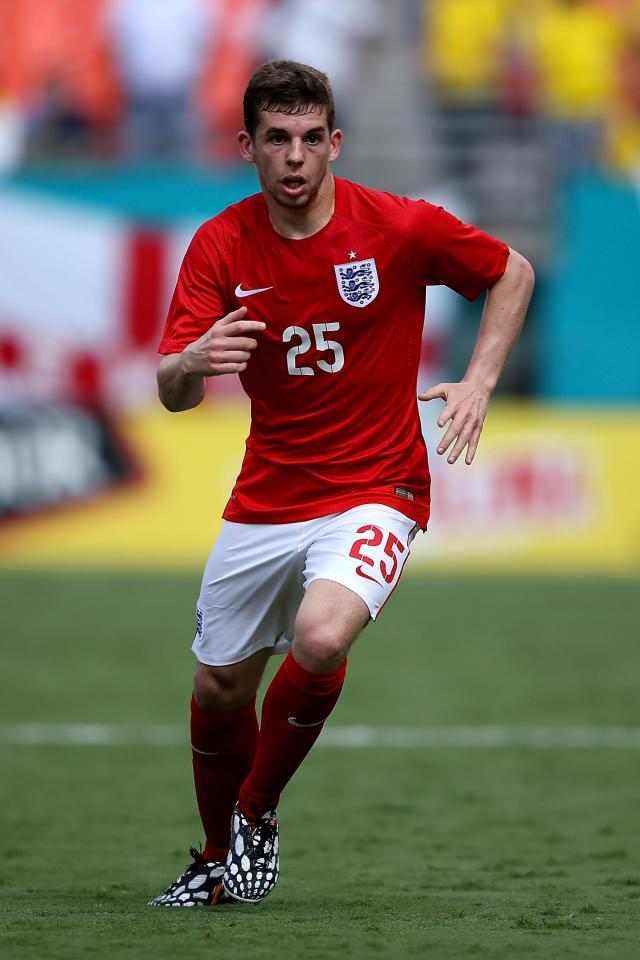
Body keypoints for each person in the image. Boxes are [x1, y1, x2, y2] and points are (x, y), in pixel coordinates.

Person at [149, 59, 534, 907]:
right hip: (267, 497)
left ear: (335, 143)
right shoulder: (220, 244)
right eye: (276, 140)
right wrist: (189, 363)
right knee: (218, 688)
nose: (295, 158)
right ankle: (218, 861)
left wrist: (478, 381)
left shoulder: (395, 227)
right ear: (247, 145)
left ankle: (256, 812)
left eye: (311, 139)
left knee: (323, 640)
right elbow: (172, 392)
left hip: (378, 484)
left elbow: (511, 271)